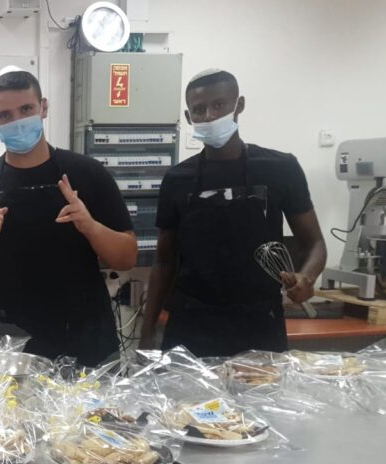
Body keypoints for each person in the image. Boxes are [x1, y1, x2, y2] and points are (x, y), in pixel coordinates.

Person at [0, 67, 137, 367]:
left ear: (43, 107)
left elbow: (127, 257)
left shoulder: (88, 173)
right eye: (5, 115)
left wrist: (90, 226)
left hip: (80, 340)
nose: (17, 121)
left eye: (26, 109)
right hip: (0, 347)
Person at [139, 69, 327, 358]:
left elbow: (314, 243)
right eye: (199, 110)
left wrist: (307, 278)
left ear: (239, 105)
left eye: (219, 105)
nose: (210, 116)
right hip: (191, 324)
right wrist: (147, 331)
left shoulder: (280, 169)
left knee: (260, 389)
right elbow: (164, 262)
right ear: (189, 117)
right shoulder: (177, 179)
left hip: (260, 324)